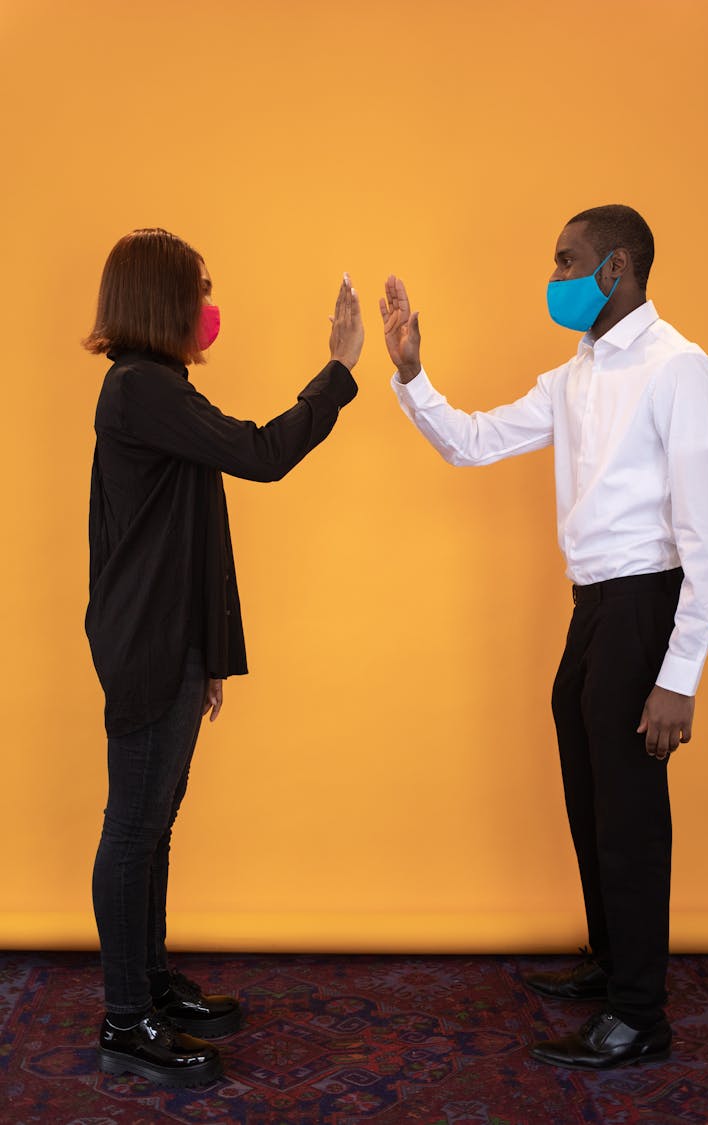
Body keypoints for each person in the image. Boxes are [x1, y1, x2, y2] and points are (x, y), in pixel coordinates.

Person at [380, 204, 708, 1070]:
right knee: (589, 789)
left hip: (646, 602)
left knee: (631, 811)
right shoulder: (572, 375)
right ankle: (612, 961)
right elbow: (471, 442)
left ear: (617, 268)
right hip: (593, 608)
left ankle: (639, 1014)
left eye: (567, 260)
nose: (555, 276)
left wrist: (679, 672)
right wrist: (412, 376)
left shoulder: (680, 370)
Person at [84, 228, 363, 1087]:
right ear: (161, 302)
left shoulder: (157, 388)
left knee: (154, 822)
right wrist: (340, 372)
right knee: (133, 827)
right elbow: (261, 454)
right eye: (199, 291)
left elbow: (193, 528)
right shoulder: (139, 388)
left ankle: (150, 980)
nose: (210, 309)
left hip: (172, 636)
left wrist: (210, 652)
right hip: (145, 640)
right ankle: (126, 1018)